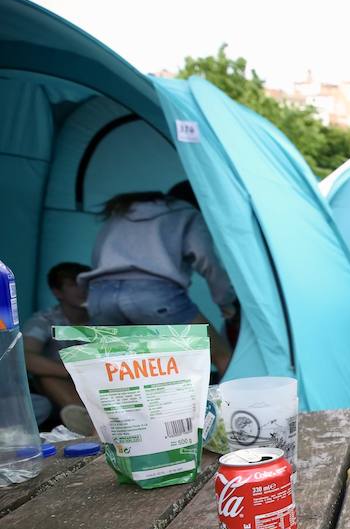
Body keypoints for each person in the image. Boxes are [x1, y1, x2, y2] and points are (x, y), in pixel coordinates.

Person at [80, 181, 237, 372]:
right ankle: (236, 402)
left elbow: (98, 256)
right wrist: (225, 302)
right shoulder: (187, 213)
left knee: (124, 371)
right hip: (154, 297)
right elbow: (206, 259)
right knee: (222, 355)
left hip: (100, 297)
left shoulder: (120, 213)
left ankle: (89, 403)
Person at [21, 262, 92, 430]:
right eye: (73, 284)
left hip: (95, 384)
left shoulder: (103, 320)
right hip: (59, 389)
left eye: (85, 284)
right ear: (57, 291)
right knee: (45, 374)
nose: (82, 290)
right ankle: (85, 420)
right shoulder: (45, 320)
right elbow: (25, 357)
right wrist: (71, 371)